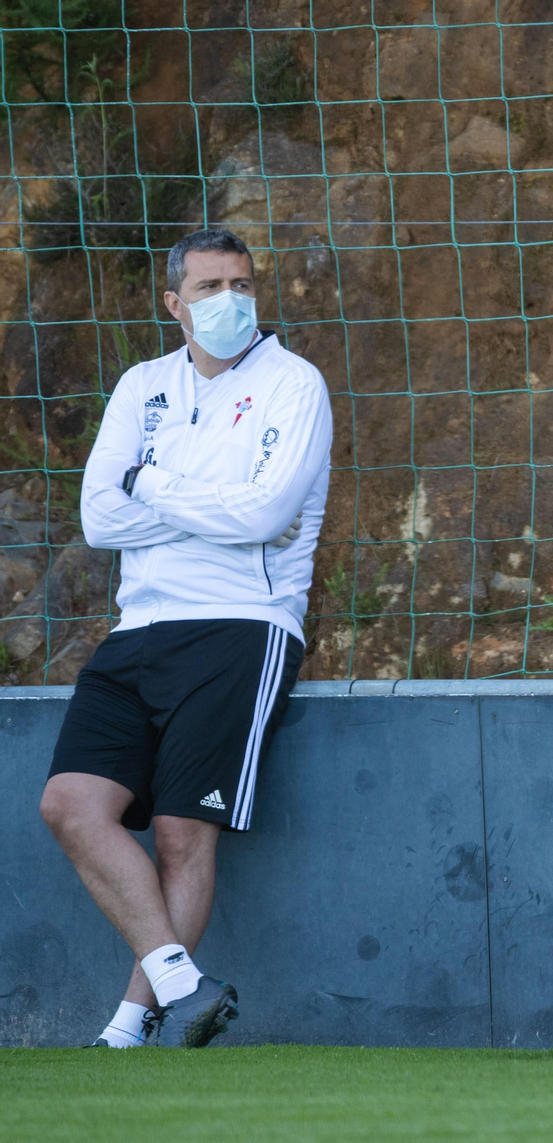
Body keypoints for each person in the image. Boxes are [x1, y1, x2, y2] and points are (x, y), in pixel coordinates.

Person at [38, 228, 333, 1048]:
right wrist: (212, 504)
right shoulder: (142, 386)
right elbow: (100, 518)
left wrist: (154, 483)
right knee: (69, 804)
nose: (228, 299)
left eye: (240, 282)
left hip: (243, 625)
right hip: (139, 627)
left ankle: (128, 1028)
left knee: (179, 831)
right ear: (174, 303)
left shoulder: (293, 385)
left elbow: (267, 516)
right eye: (207, 287)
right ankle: (184, 983)